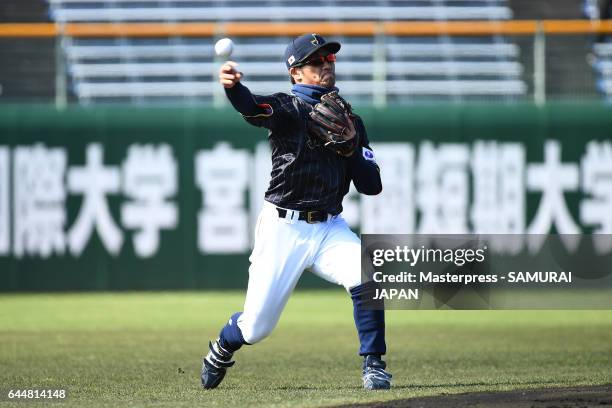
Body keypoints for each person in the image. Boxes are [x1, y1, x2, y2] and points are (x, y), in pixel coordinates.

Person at [201, 33, 391, 391]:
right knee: (256, 328)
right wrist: (232, 88)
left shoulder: (351, 120)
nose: (325, 65)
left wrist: (352, 149)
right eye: (316, 61)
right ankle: (223, 346)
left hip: (329, 228)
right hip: (282, 228)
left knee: (367, 272)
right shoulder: (287, 109)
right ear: (296, 73)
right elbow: (252, 107)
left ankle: (374, 364)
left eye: (329, 60)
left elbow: (372, 186)